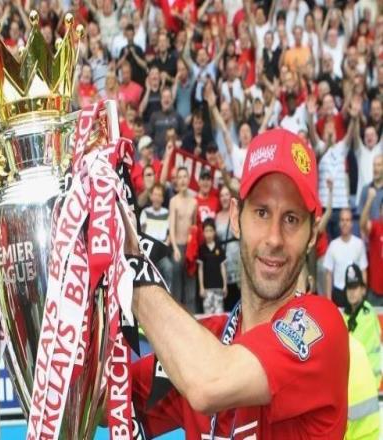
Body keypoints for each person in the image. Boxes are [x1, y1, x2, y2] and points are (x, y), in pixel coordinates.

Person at [129, 129, 348, 438]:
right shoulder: (207, 341)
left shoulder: (323, 327)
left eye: (291, 219)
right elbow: (103, 401)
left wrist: (129, 264)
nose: (274, 238)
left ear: (312, 234)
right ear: (235, 216)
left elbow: (209, 383)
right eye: (261, 212)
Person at [342, 263, 381, 388]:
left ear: (363, 290)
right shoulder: (346, 315)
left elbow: (354, 345)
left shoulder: (367, 314)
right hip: (356, 379)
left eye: (355, 287)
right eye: (349, 288)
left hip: (369, 379)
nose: (352, 292)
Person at [323, 209, 368, 308]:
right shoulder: (333, 245)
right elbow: (328, 275)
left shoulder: (359, 244)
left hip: (355, 292)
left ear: (352, 223)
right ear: (339, 223)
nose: (345, 223)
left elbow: (363, 270)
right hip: (338, 293)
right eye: (342, 220)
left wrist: (363, 294)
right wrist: (329, 299)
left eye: (347, 220)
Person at [168, 167, 197, 313]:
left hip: (190, 248)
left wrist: (193, 248)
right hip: (178, 246)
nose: (183, 180)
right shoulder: (173, 201)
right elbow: (171, 227)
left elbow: (195, 226)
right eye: (180, 177)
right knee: (177, 287)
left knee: (190, 287)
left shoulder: (194, 202)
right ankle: (176, 318)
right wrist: (174, 248)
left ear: (189, 179)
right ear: (176, 181)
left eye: (185, 176)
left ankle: (191, 317)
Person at [197, 219, 227, 314]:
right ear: (203, 233)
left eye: (211, 230)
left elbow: (223, 267)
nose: (208, 234)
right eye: (206, 231)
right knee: (208, 316)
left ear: (214, 232)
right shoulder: (202, 249)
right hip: (207, 289)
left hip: (218, 287)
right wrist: (201, 287)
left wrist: (225, 286)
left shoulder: (219, 247)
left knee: (219, 314)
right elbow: (200, 269)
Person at [360, 189, 383, 305]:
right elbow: (363, 225)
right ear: (380, 211)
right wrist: (369, 200)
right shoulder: (376, 226)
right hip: (375, 292)